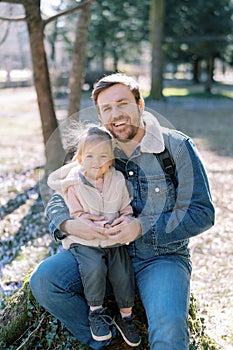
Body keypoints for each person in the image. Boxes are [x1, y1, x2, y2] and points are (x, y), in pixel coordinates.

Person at [30, 73, 215, 350]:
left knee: (169, 333)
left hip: (160, 258)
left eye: (123, 103)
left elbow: (202, 212)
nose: (116, 114)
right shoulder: (96, 146)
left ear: (140, 104)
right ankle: (109, 342)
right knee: (46, 281)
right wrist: (68, 224)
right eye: (107, 108)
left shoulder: (176, 147)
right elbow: (61, 195)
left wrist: (141, 226)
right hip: (101, 252)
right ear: (100, 115)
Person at [47, 126, 141, 346]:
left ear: (110, 160)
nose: (96, 162)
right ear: (79, 158)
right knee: (94, 268)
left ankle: (126, 316)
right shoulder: (73, 183)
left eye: (103, 156)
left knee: (123, 272)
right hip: (86, 239)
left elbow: (126, 208)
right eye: (89, 156)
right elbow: (76, 213)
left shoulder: (117, 179)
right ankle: (96, 312)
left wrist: (126, 219)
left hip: (113, 237)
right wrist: (88, 223)